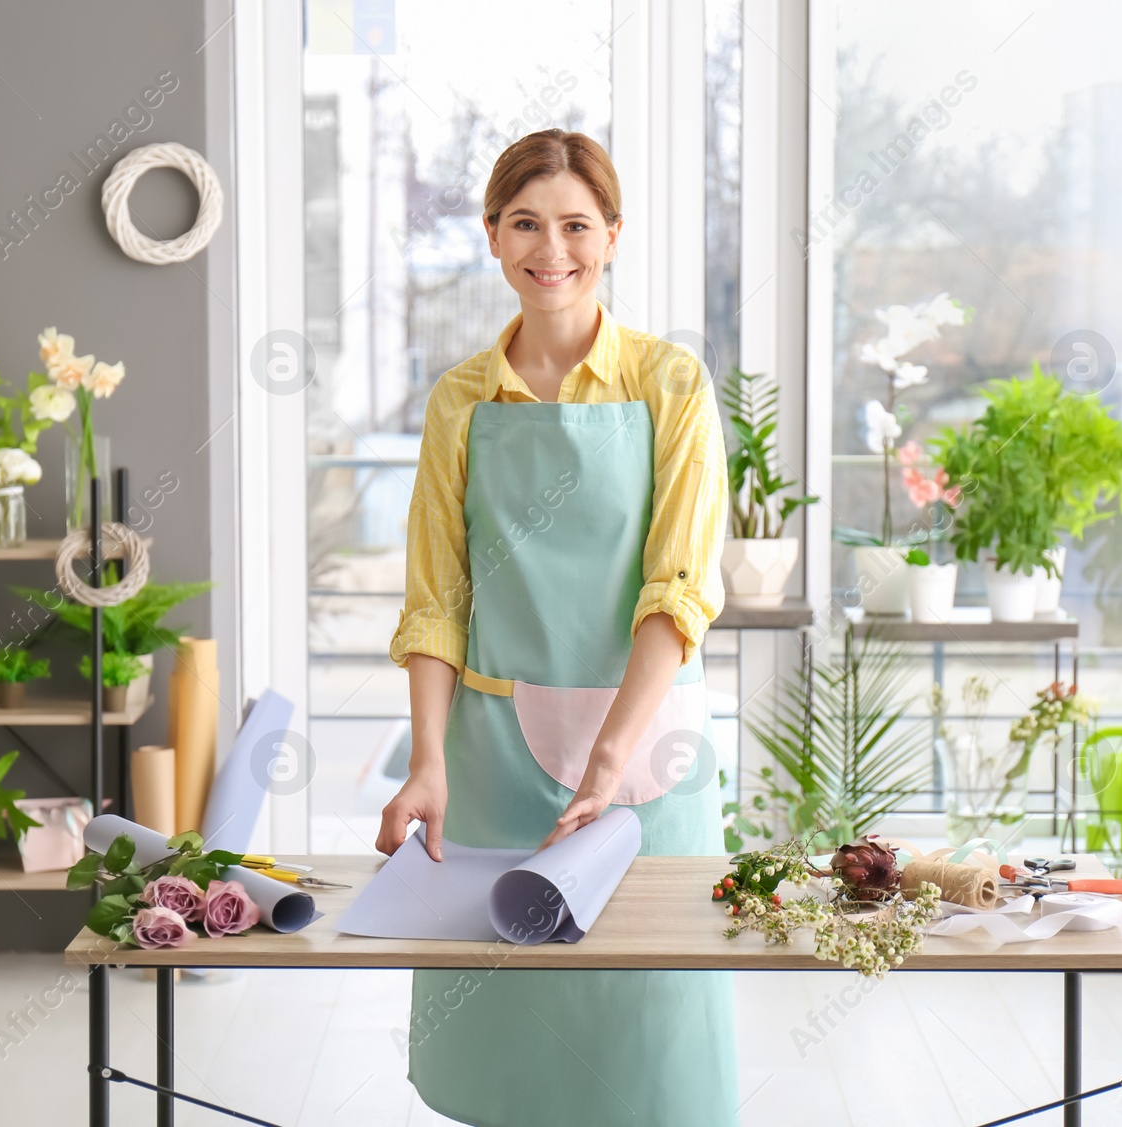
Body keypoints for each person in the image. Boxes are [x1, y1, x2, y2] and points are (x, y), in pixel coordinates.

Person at [378, 128, 739, 1126]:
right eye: (526, 223)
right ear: (492, 236)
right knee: (509, 1046)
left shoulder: (669, 384)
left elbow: (678, 590)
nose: (553, 249)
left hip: (645, 761)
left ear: (612, 235)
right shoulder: (461, 397)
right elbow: (436, 600)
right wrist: (427, 760)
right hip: (491, 767)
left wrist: (609, 758)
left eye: (576, 224)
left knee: (649, 1040)